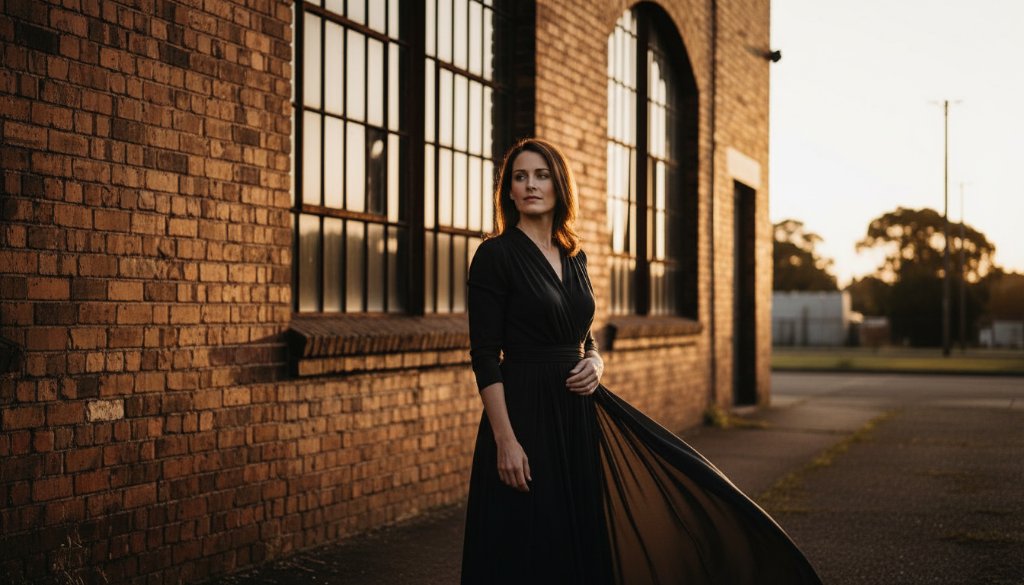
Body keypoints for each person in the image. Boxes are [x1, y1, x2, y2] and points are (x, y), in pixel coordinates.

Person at [460, 138, 821, 585]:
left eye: (541, 175)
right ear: (509, 191)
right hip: (524, 415)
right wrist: (505, 441)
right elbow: (485, 356)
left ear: (559, 185)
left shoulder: (575, 256)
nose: (531, 185)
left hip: (577, 417)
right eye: (520, 177)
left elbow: (583, 334)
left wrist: (596, 362)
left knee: (578, 537)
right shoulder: (494, 255)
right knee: (529, 538)